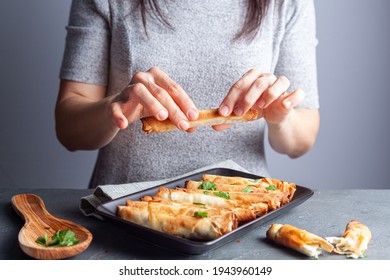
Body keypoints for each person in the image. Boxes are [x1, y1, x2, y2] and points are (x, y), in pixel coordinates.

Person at [55, 0, 320, 188]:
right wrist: (114, 108)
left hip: (245, 208)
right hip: (124, 208)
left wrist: (281, 117)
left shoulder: (287, 3)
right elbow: (68, 129)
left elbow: (303, 139)